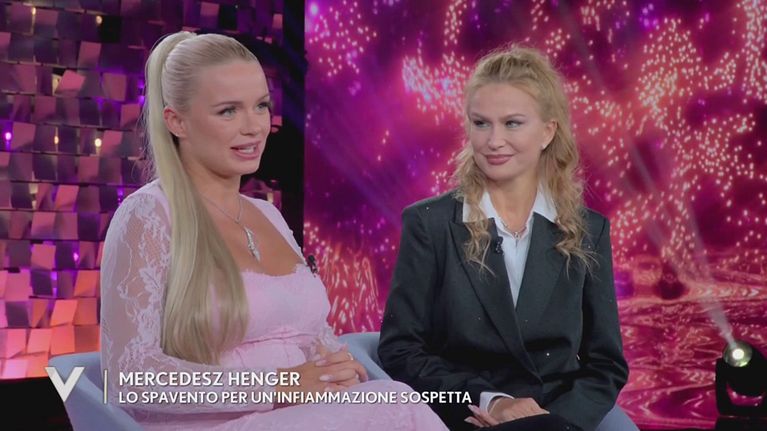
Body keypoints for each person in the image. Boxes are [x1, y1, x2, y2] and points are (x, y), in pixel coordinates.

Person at [100, 31, 447, 431]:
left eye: (261, 106)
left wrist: (336, 367)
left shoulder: (269, 215)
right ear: (177, 121)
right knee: (395, 406)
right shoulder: (147, 215)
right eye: (228, 111)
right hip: (214, 424)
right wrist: (281, 385)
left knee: (391, 398)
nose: (254, 127)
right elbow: (130, 378)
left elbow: (311, 335)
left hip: (300, 416)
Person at [378, 46, 629, 431]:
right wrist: (490, 401)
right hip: (470, 414)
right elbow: (401, 350)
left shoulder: (588, 231)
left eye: (512, 123)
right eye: (481, 123)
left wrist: (555, 423)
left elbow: (605, 364)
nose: (493, 140)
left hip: (557, 418)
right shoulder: (430, 224)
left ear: (547, 131)